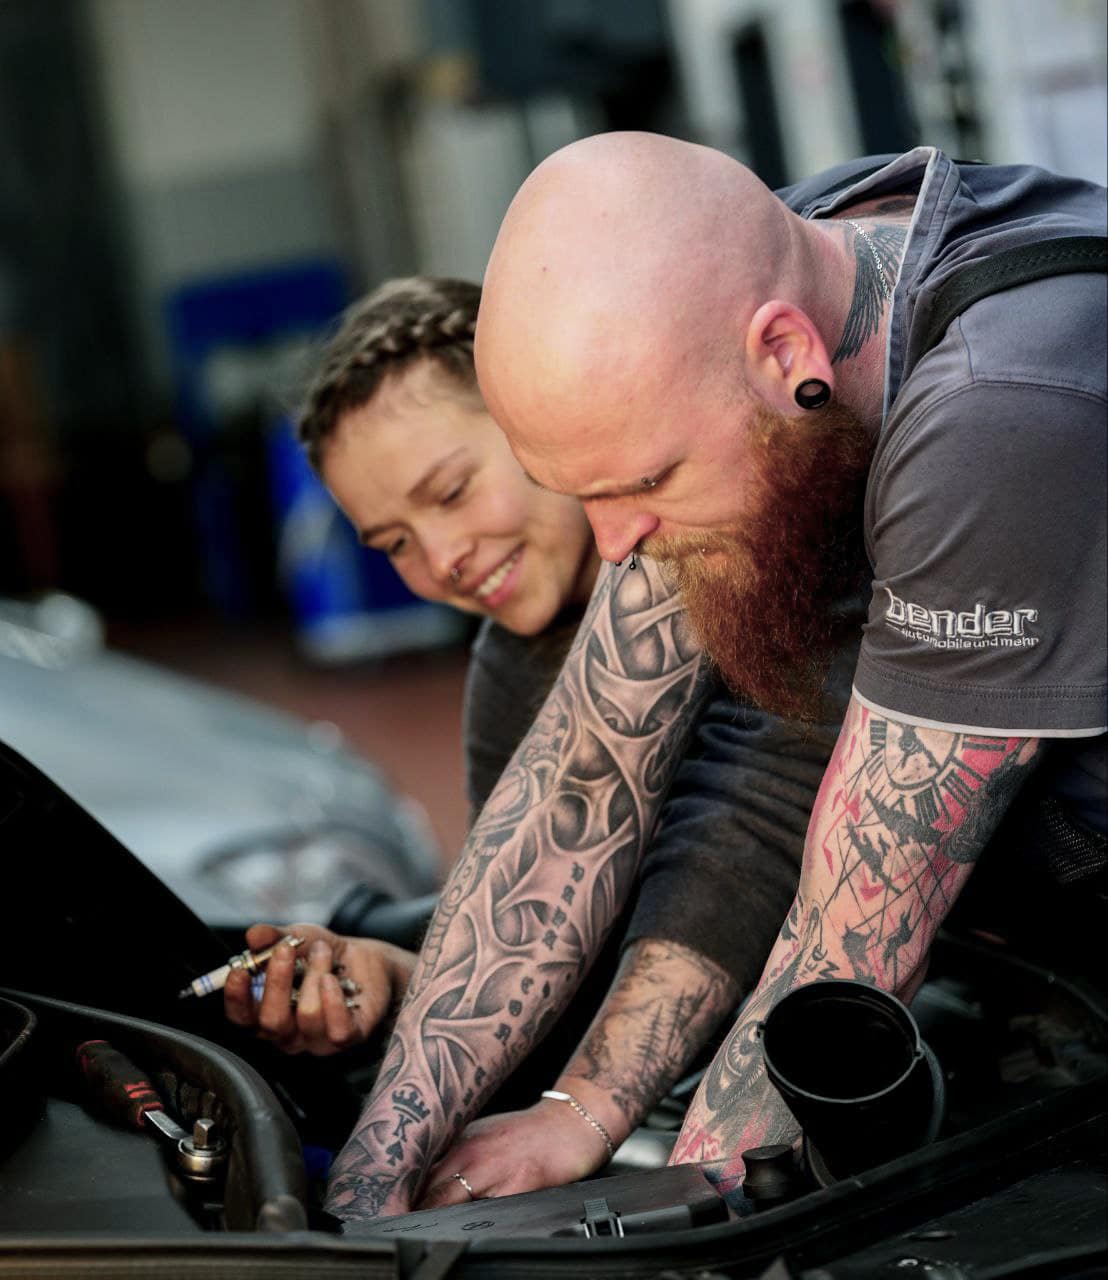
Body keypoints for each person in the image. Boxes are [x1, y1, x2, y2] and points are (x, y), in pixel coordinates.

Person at [321, 136, 1106, 1220]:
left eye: (642, 479)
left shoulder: (999, 408)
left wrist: (658, 1233)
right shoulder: (774, 282)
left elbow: (850, 939)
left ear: (783, 350)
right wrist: (365, 1189)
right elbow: (586, 781)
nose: (616, 546)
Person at [223, 276, 859, 1207]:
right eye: (393, 542)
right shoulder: (507, 667)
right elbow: (546, 923)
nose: (440, 559)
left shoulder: (721, 548)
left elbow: (748, 838)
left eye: (450, 491)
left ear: (540, 420)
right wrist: (398, 979)